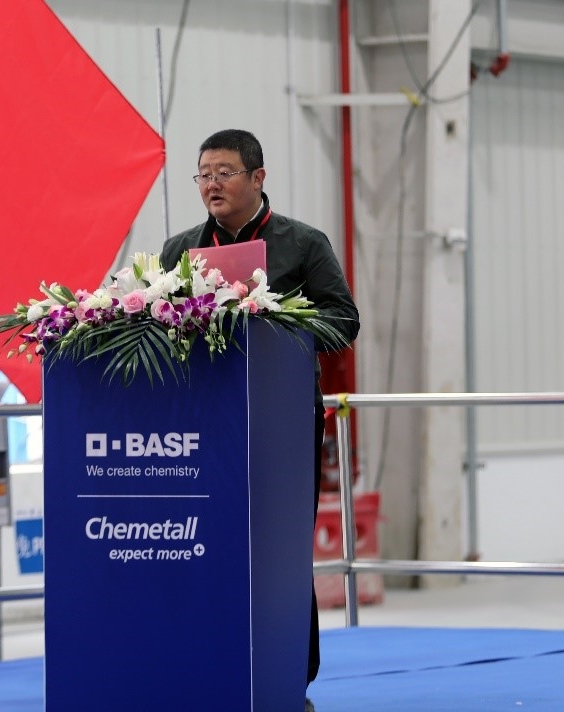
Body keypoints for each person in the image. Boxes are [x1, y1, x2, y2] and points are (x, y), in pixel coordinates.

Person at [160, 129, 360, 710]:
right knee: (208, 546)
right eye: (203, 175)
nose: (212, 184)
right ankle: (209, 668)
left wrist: (277, 322)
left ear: (257, 177)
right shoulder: (179, 250)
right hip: (205, 424)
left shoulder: (303, 243)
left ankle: (291, 680)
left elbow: (344, 321)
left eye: (224, 172)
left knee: (282, 554)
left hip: (282, 425)